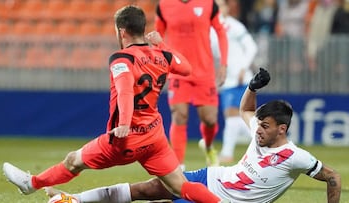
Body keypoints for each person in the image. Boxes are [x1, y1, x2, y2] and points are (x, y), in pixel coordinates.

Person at [2, 5, 222, 203]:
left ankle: (31, 184)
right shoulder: (161, 55)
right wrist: (162, 44)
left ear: (122, 31)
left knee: (73, 161)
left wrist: (125, 122)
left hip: (126, 139)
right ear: (142, 29)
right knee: (180, 186)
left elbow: (125, 88)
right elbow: (186, 68)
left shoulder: (121, 58)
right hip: (155, 136)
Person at [45, 68, 341, 203]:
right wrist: (252, 87)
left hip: (223, 200)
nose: (258, 129)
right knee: (148, 189)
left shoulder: (296, 157)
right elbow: (247, 112)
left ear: (282, 130)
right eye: (259, 124)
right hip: (213, 179)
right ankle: (72, 200)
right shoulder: (259, 131)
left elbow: (333, 177)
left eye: (265, 126)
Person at [155, 0, 229, 168]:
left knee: (210, 119)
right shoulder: (164, 5)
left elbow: (221, 32)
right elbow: (157, 37)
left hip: (204, 72)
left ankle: (209, 147)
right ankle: (178, 166)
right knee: (179, 116)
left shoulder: (209, 4)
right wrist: (161, 67)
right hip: (177, 71)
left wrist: (223, 64)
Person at [210, 0, 258, 164]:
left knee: (233, 115)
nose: (219, 8)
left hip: (239, 77)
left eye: (221, 5)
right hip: (225, 79)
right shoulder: (209, 28)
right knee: (241, 119)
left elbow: (251, 46)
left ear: (227, 7)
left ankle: (227, 153)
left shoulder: (234, 26)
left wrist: (244, 67)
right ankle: (267, 142)